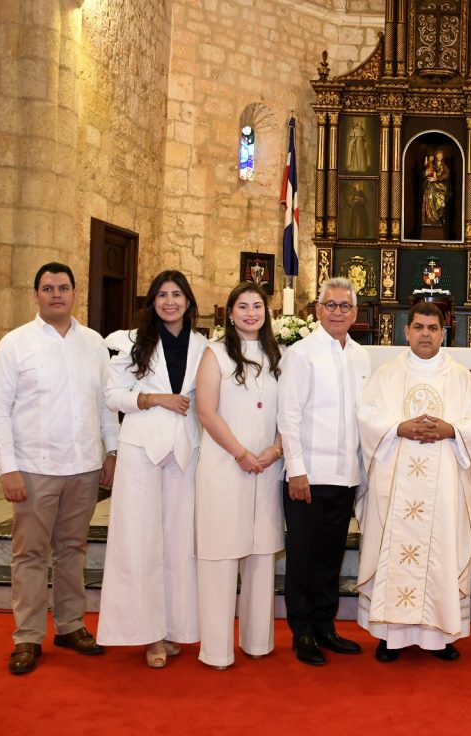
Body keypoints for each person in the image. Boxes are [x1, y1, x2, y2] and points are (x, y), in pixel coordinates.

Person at [0, 262, 118, 675]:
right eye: (47, 288)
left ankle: (70, 625)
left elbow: (105, 405)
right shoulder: (15, 344)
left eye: (63, 287)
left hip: (82, 466)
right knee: (29, 554)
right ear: (36, 295)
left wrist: (111, 452)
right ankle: (27, 636)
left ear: (75, 293)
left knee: (72, 550)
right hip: (33, 467)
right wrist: (7, 467)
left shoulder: (94, 344)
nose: (56, 294)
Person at [356, 302, 471, 662]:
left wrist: (452, 430)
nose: (425, 334)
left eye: (432, 328)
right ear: (407, 331)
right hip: (395, 481)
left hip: (444, 482)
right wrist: (397, 427)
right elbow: (366, 416)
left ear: (444, 332)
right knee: (393, 551)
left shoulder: (460, 377)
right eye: (419, 327)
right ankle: (390, 635)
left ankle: (439, 636)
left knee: (441, 550)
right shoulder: (387, 374)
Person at [97, 270, 208, 668]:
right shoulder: (128, 341)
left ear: (189, 302)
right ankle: (148, 635)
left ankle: (174, 628)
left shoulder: (203, 345)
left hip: (186, 450)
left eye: (177, 294)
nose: (170, 301)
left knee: (179, 543)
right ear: (152, 301)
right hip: (141, 448)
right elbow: (112, 396)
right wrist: (153, 398)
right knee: (141, 540)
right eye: (162, 294)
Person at [277, 276, 371, 666]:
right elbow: (289, 415)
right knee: (303, 556)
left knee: (331, 556)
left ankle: (325, 625)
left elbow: (365, 416)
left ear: (354, 312)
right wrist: (296, 470)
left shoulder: (362, 356)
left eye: (344, 306)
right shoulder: (300, 354)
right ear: (317, 311)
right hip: (309, 476)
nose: (337, 312)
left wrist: (365, 471)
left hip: (346, 475)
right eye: (330, 305)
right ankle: (301, 632)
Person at [195, 282, 285, 669]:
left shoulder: (277, 354)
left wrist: (276, 448)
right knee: (220, 555)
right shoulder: (214, 353)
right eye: (243, 306)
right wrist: (241, 454)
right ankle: (216, 648)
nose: (251, 312)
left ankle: (258, 642)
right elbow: (206, 411)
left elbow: (290, 410)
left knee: (262, 554)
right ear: (230, 313)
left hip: (267, 466)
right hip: (225, 466)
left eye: (257, 306)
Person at [422, 149, 451, 226]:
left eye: (441, 155)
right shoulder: (432, 164)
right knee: (430, 202)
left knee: (441, 205)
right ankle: (430, 220)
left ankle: (439, 220)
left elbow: (446, 175)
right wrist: (426, 174)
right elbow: (425, 172)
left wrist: (437, 178)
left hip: (440, 188)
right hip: (431, 187)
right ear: (435, 156)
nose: (439, 156)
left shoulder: (444, 166)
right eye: (438, 155)